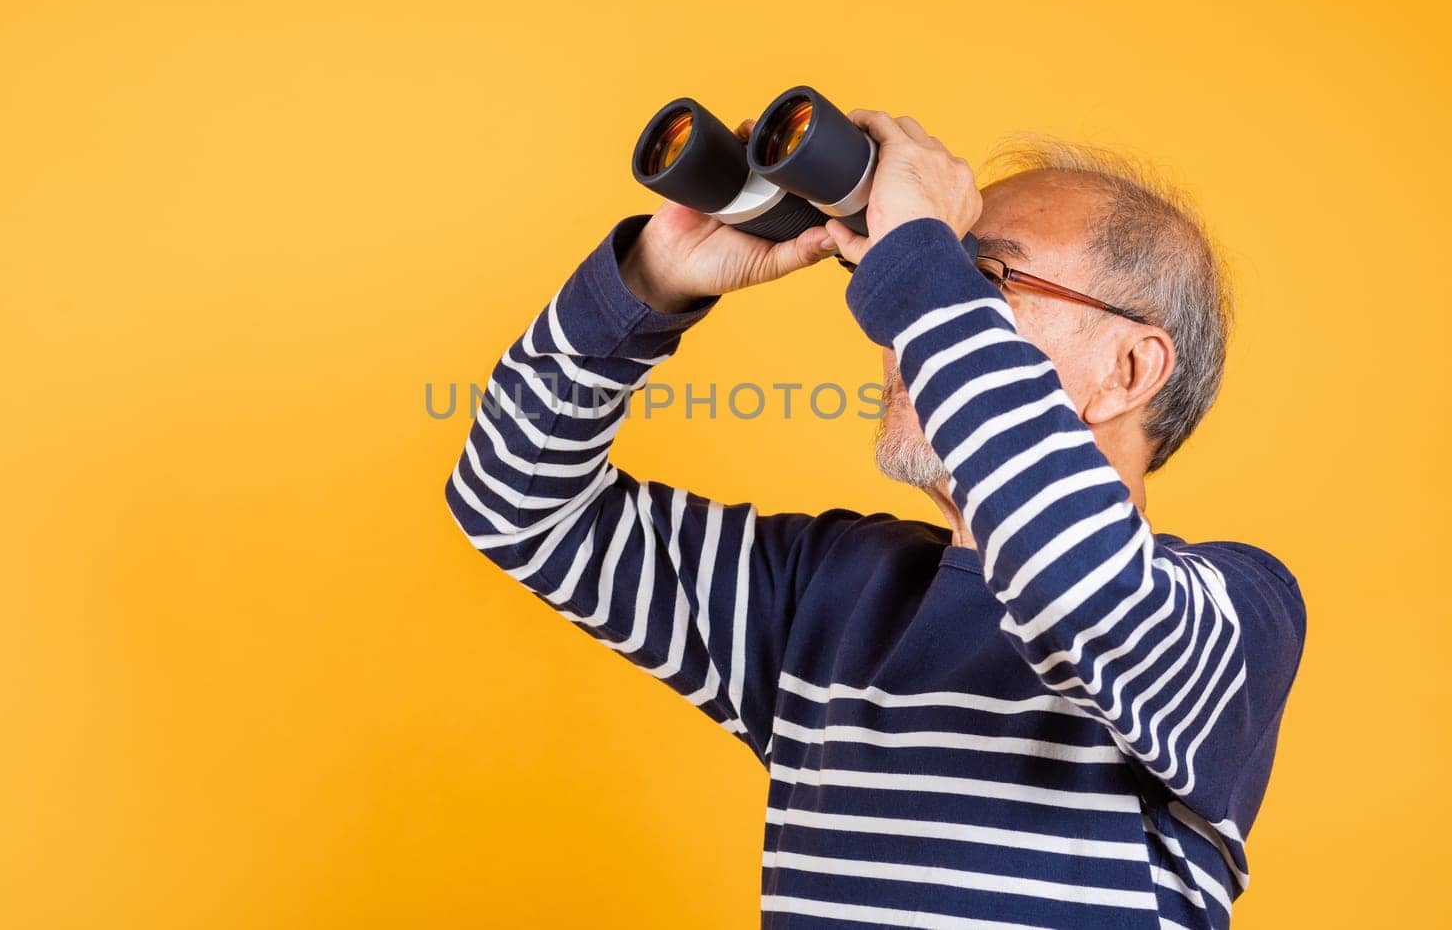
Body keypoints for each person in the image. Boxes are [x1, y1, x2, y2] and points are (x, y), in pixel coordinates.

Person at [443, 107, 1306, 929]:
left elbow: (1078, 579)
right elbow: (516, 504)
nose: (898, 326)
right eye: (933, 275)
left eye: (987, 276)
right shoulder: (831, 592)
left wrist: (923, 261)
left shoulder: (1234, 621)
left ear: (1127, 371)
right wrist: (648, 285)